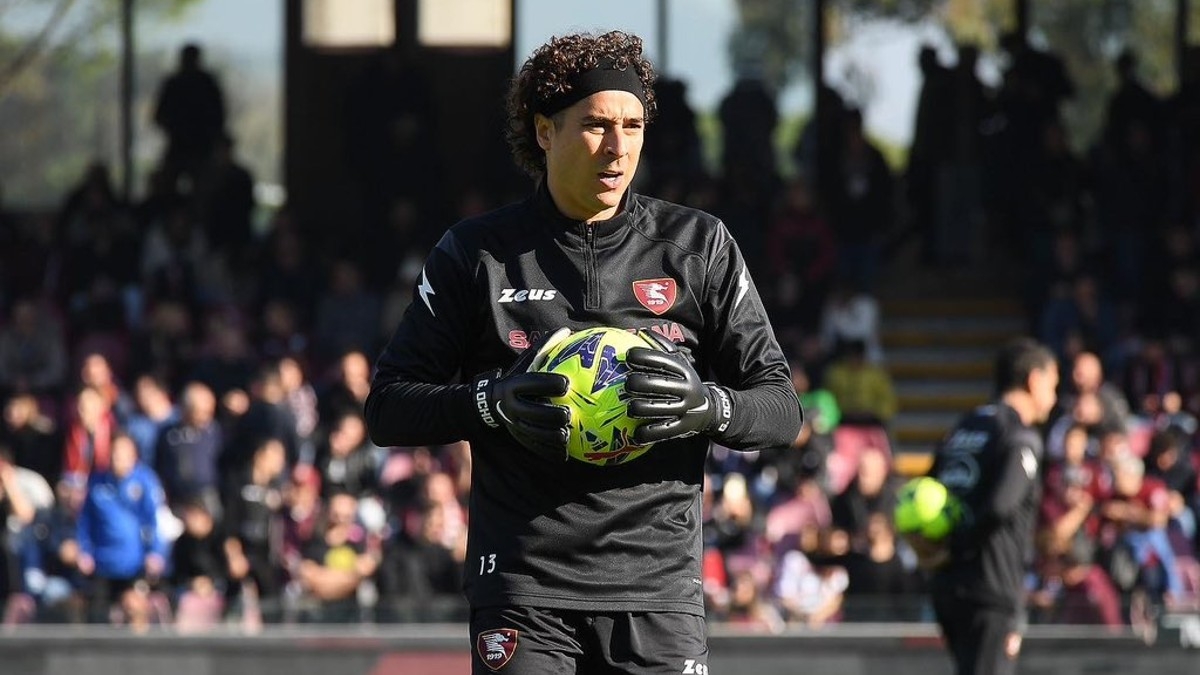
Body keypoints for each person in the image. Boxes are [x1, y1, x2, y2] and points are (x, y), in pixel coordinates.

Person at [365, 30, 802, 674]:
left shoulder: (698, 246)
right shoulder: (477, 253)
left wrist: (707, 406)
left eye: (633, 125)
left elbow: (781, 407)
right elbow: (387, 408)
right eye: (596, 125)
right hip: (524, 590)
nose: (619, 148)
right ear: (545, 132)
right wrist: (490, 403)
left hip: (658, 594)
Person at [921, 337, 1059, 675]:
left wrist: (939, 549)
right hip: (991, 587)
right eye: (1053, 385)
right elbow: (1001, 507)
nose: (1054, 398)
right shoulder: (1019, 436)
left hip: (948, 584)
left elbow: (926, 490)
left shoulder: (964, 426)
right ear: (1034, 380)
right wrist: (962, 544)